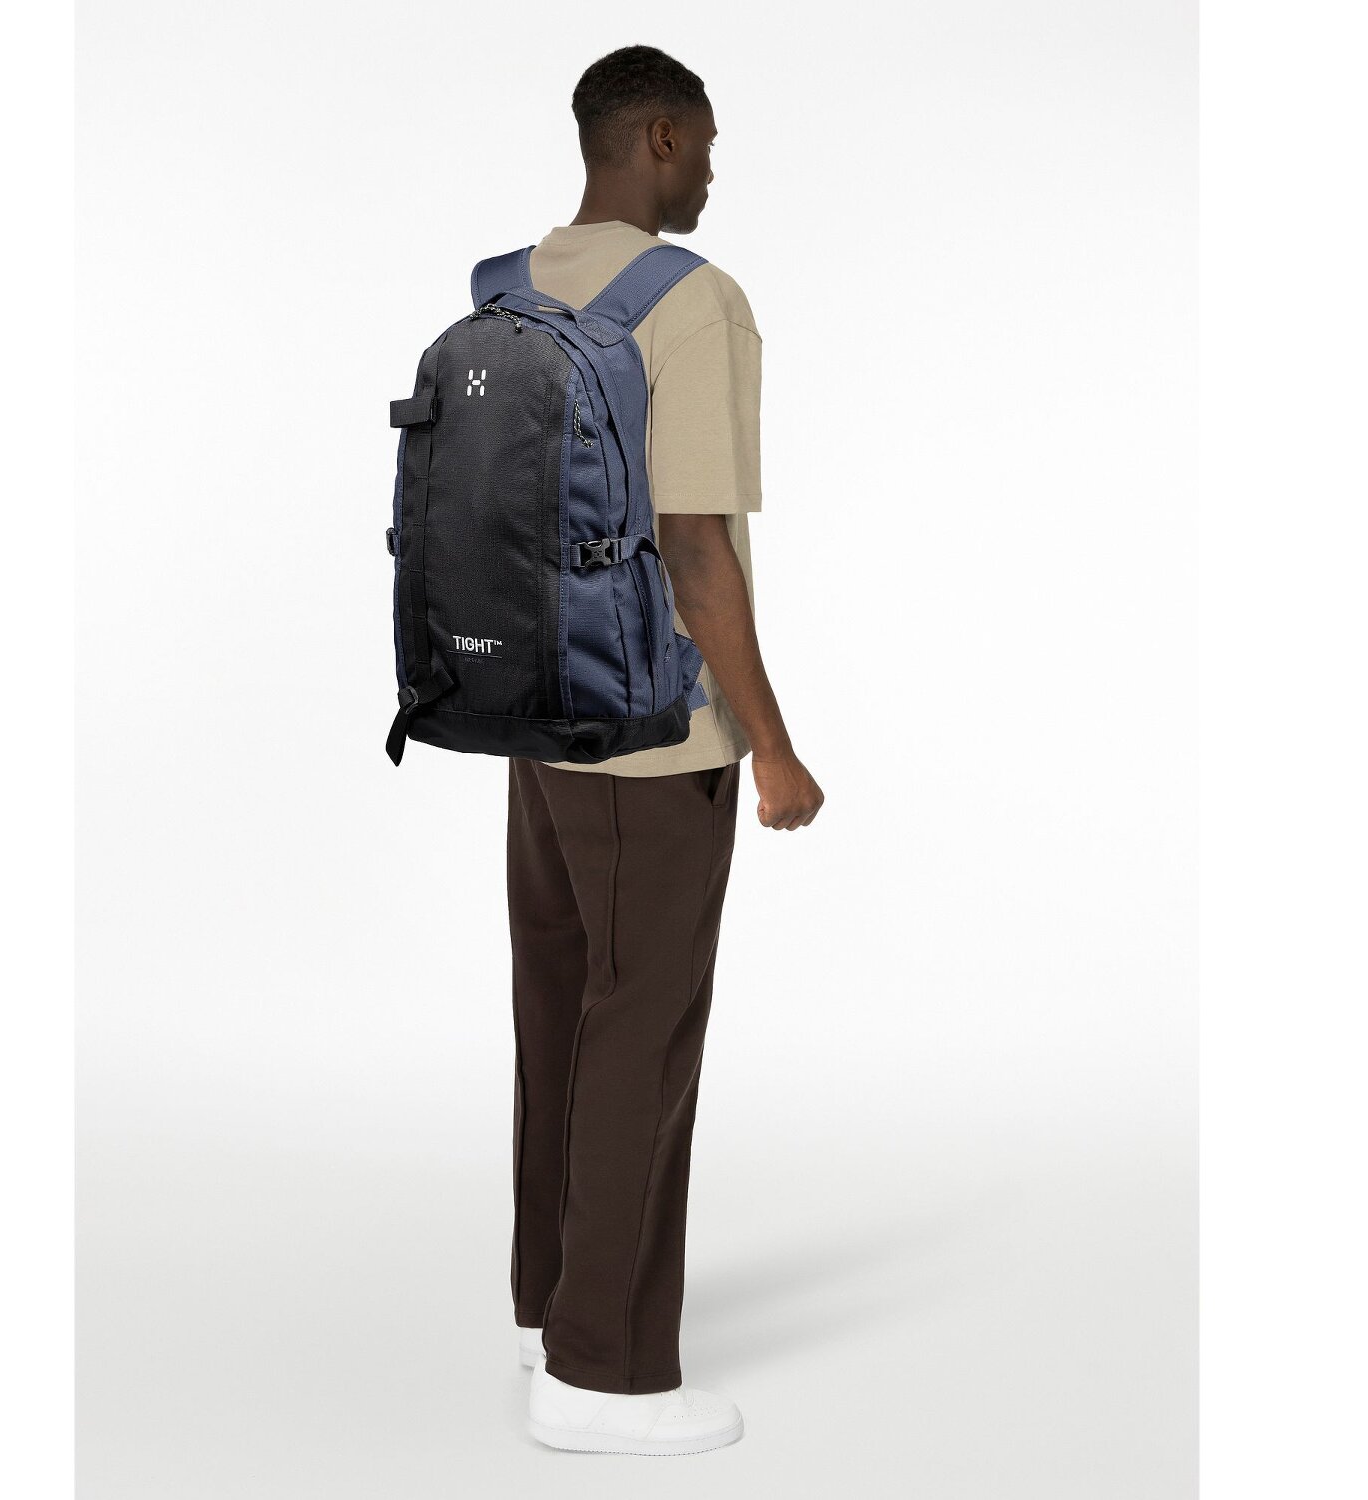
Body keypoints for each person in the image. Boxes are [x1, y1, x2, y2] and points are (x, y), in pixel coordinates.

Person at [508, 45, 825, 1456]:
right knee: (644, 1031)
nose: (708, 170)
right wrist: (773, 747)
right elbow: (696, 549)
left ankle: (551, 1300)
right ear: (654, 137)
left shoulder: (515, 287)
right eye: (701, 143)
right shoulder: (693, 303)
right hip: (652, 740)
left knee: (561, 1011)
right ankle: (605, 1376)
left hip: (538, 721)